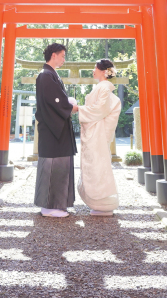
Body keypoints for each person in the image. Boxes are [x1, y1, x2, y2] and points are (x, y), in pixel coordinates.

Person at [34, 43, 79, 217]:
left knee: (59, 167)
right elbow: (56, 102)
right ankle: (48, 206)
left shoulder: (50, 74)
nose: (63, 59)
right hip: (53, 130)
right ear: (54, 55)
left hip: (56, 129)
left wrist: (68, 105)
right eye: (62, 56)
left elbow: (59, 100)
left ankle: (57, 205)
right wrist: (71, 107)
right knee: (53, 167)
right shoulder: (45, 75)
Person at [77, 59, 122, 216]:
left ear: (104, 71)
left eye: (95, 67)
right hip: (96, 131)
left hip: (97, 132)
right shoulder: (103, 88)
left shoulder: (103, 88)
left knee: (97, 164)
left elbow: (100, 109)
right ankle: (100, 203)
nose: (93, 70)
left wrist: (79, 109)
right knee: (97, 164)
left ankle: (103, 203)